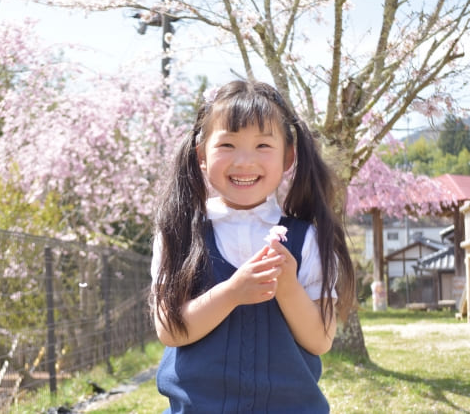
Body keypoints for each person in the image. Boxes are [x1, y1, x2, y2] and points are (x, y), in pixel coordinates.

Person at [150, 80, 355, 413]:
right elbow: (169, 330)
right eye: (227, 145)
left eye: (263, 145)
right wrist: (233, 292)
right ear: (202, 155)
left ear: (289, 156)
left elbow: (319, 340)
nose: (244, 161)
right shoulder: (180, 234)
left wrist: (287, 286)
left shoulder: (308, 240)